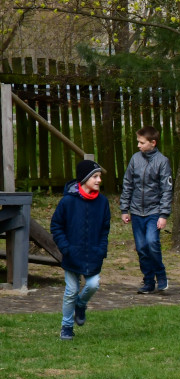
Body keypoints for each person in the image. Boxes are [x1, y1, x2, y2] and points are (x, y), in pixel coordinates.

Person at [50, 159, 111, 341]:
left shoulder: (102, 202)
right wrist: (65, 247)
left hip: (93, 254)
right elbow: (56, 225)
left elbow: (104, 229)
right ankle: (67, 326)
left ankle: (81, 304)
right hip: (72, 254)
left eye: (99, 176)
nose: (99, 180)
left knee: (93, 284)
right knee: (71, 290)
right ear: (84, 179)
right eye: (95, 176)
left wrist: (101, 249)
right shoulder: (68, 201)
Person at [120, 125, 173, 294]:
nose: (138, 145)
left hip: (154, 211)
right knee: (142, 247)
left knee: (152, 243)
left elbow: (167, 189)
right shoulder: (135, 159)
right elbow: (127, 184)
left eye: (141, 142)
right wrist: (124, 209)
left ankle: (161, 274)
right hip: (136, 211)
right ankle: (148, 281)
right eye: (138, 142)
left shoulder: (162, 161)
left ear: (153, 143)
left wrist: (163, 215)